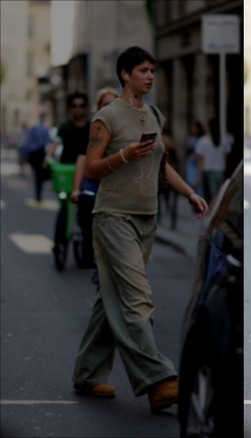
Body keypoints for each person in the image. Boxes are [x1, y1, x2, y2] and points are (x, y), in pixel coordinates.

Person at [71, 46, 208, 412]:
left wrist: (191, 192)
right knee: (138, 300)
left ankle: (87, 373)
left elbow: (163, 166)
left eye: (152, 71)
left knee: (111, 300)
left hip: (147, 217)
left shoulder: (153, 115)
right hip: (113, 216)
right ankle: (158, 379)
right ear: (125, 75)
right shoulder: (106, 117)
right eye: (143, 70)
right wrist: (122, 156)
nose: (149, 76)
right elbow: (92, 169)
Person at [71, 87, 119, 275]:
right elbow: (82, 159)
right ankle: (87, 247)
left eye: (114, 104)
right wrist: (76, 189)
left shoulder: (123, 128)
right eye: (106, 104)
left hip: (115, 184)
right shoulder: (93, 128)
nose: (110, 108)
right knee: (86, 204)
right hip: (93, 183)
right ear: (99, 107)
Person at [195, 118, 232, 204]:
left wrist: (198, 176)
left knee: (211, 196)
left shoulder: (203, 141)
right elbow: (225, 157)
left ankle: (212, 213)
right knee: (218, 195)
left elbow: (201, 160)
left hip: (208, 170)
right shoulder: (223, 140)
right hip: (220, 170)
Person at [25, 114, 52, 204]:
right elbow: (48, 142)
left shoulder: (33, 129)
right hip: (41, 154)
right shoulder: (45, 129)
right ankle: (39, 193)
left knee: (37, 175)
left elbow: (29, 143)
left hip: (34, 155)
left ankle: (38, 193)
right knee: (40, 175)